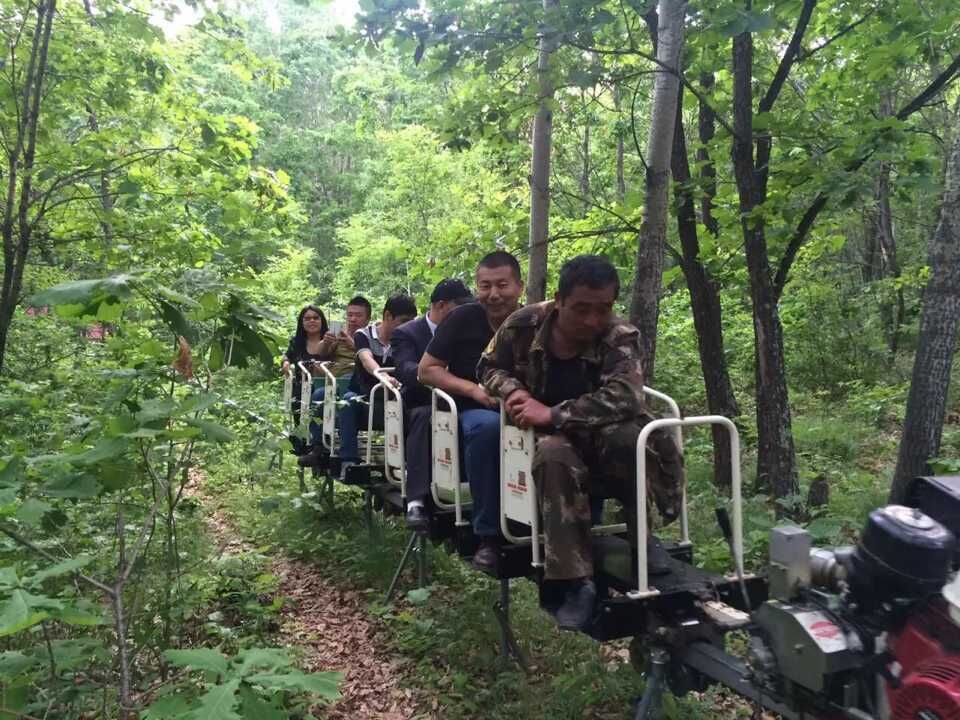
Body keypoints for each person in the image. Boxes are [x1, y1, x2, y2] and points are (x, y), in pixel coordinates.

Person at [480, 254, 684, 630]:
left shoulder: (619, 336)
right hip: (552, 441)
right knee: (552, 454)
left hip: (604, 435)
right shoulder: (523, 325)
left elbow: (627, 397)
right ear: (559, 300)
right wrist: (515, 392)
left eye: (603, 309)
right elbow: (488, 367)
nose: (592, 320)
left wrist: (552, 413)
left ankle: (643, 536)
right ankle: (575, 582)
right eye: (581, 309)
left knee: (633, 438)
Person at [418, 251, 524, 570]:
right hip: (471, 409)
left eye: (502, 285)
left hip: (522, 403)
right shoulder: (462, 318)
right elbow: (426, 370)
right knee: (489, 430)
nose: (493, 294)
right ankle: (488, 535)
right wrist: (473, 390)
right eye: (485, 286)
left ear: (519, 287)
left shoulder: (533, 319)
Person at [391, 279, 474, 530]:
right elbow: (404, 368)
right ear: (440, 305)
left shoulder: (467, 329)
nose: (464, 314)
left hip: (462, 398)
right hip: (422, 400)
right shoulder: (407, 333)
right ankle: (416, 500)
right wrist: (433, 374)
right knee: (425, 417)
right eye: (459, 309)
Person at [336, 294, 417, 478]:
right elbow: (366, 359)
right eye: (404, 321)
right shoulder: (363, 335)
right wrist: (382, 375)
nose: (408, 326)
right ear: (388, 316)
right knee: (348, 402)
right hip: (364, 395)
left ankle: (406, 463)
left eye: (411, 322)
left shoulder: (407, 339)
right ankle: (348, 461)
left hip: (396, 396)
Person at [299, 295, 373, 466]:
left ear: (367, 318)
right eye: (350, 315)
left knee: (347, 399)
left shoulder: (370, 335)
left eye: (358, 315)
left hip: (358, 381)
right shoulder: (339, 331)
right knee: (318, 394)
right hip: (336, 381)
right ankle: (318, 446)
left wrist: (354, 344)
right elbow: (321, 352)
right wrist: (327, 342)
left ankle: (348, 454)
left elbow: (372, 359)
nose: (353, 319)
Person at [282, 305, 331, 449]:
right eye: (307, 318)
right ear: (301, 322)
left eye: (316, 318)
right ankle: (301, 439)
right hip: (302, 387)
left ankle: (320, 440)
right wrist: (285, 363)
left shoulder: (330, 341)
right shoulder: (297, 342)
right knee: (297, 392)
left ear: (322, 320)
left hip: (325, 385)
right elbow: (287, 356)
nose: (312, 321)